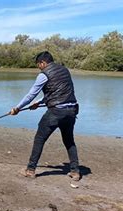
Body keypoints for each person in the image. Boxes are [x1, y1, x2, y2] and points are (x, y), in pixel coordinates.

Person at [10, 51, 81, 181]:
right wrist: (40, 102)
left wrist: (17, 108)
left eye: (38, 65)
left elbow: (31, 94)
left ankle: (30, 170)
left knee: (39, 139)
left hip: (56, 112)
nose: (39, 67)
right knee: (69, 140)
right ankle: (75, 171)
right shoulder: (65, 70)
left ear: (43, 63)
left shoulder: (44, 74)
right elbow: (59, 92)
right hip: (71, 111)